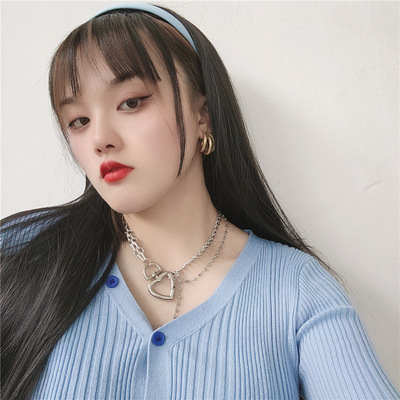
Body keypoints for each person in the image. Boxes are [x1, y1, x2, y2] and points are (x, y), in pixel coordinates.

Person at [1, 3, 398, 400]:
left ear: (203, 116)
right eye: (79, 121)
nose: (99, 139)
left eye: (132, 102)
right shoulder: (21, 257)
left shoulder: (295, 290)